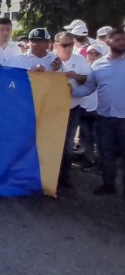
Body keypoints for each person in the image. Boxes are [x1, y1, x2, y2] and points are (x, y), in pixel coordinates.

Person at [71, 27, 125, 197]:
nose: (122, 43)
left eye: (124, 39)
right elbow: (89, 87)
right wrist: (69, 91)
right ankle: (108, 185)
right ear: (108, 42)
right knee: (105, 153)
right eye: (117, 40)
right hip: (104, 119)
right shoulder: (98, 65)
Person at [54, 31, 92, 190]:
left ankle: (65, 176)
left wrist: (75, 76)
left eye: (71, 44)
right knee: (53, 142)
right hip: (54, 110)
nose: (68, 48)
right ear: (56, 46)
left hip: (73, 107)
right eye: (64, 45)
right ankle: (52, 175)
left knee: (68, 144)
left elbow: (88, 79)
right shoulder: (51, 61)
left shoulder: (80, 59)